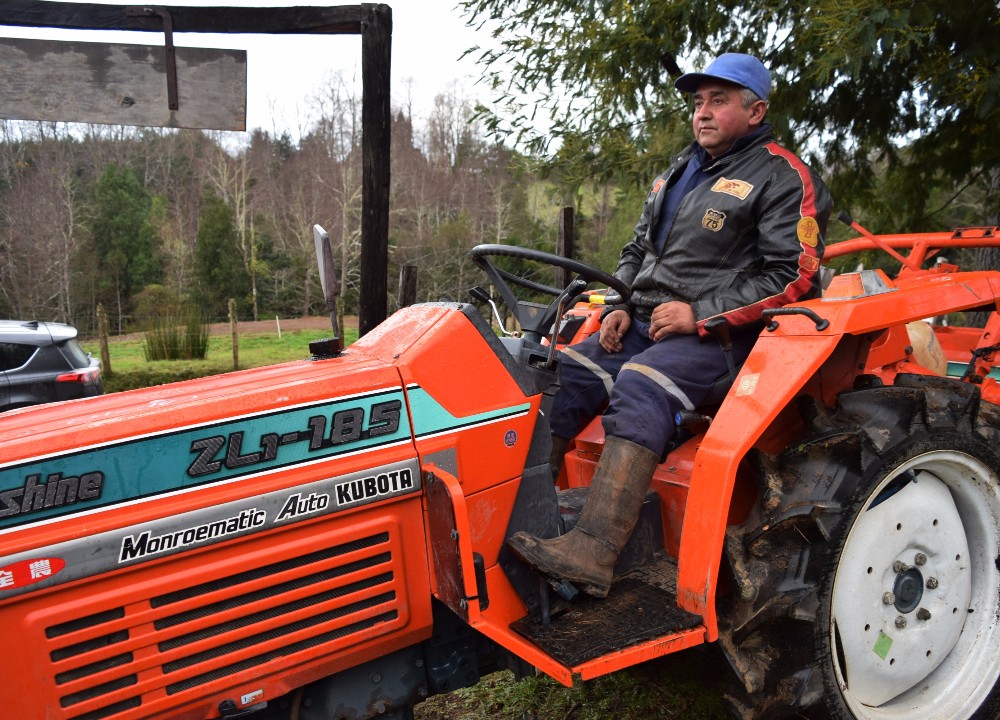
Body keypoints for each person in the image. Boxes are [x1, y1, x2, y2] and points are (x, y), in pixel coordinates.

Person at [508, 53, 833, 599]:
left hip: (728, 337)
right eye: (698, 102)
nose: (702, 113)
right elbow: (639, 249)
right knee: (563, 376)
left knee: (641, 383)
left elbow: (792, 274)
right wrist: (618, 303)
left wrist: (699, 314)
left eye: (719, 101)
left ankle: (594, 549)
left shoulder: (782, 176)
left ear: (757, 111)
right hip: (645, 321)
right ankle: (523, 516)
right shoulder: (676, 173)